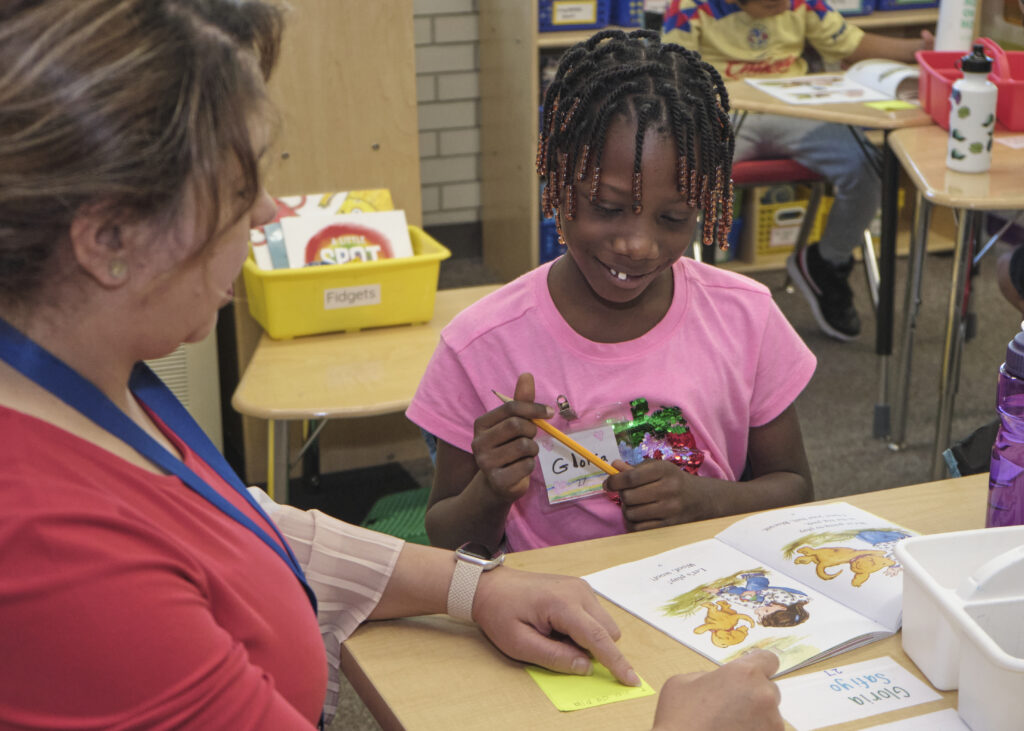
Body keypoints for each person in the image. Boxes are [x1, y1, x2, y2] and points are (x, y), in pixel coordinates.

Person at [0, 2, 786, 728]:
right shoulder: (50, 548)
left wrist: (474, 586)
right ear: (106, 241)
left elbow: (250, 520)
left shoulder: (93, 387)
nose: (270, 210)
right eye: (240, 183)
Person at [407, 29, 815, 554]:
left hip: (708, 594)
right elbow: (447, 541)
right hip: (550, 607)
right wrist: (492, 488)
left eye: (672, 218)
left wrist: (707, 502)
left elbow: (797, 490)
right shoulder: (478, 345)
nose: (637, 245)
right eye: (606, 207)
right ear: (556, 179)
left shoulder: (747, 316)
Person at [662, 0, 934, 341]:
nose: (781, 8)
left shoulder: (800, 3)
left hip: (797, 109)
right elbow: (675, 73)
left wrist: (920, 48)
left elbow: (850, 41)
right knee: (682, 180)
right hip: (726, 115)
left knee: (866, 166)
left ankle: (826, 263)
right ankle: (675, 283)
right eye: (770, 3)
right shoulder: (689, 8)